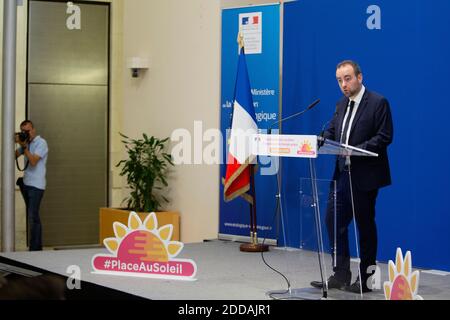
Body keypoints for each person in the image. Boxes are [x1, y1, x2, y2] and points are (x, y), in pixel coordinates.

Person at [311, 60, 393, 293]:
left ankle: (366, 279)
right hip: (342, 174)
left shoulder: (378, 103)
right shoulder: (341, 104)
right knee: (333, 221)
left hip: (365, 175)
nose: (343, 84)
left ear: (360, 77)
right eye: (339, 81)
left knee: (364, 226)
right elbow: (334, 131)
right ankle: (341, 275)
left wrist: (356, 150)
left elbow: (385, 137)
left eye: (347, 78)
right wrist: (322, 138)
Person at [15, 120, 49, 251]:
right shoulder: (26, 143)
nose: (26, 134)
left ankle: (35, 249)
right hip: (26, 184)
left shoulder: (41, 143)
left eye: (27, 131)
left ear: (33, 130)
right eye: (23, 132)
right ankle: (36, 247)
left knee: (33, 216)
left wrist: (24, 147)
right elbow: (13, 155)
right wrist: (13, 140)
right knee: (33, 216)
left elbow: (34, 161)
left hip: (37, 185)